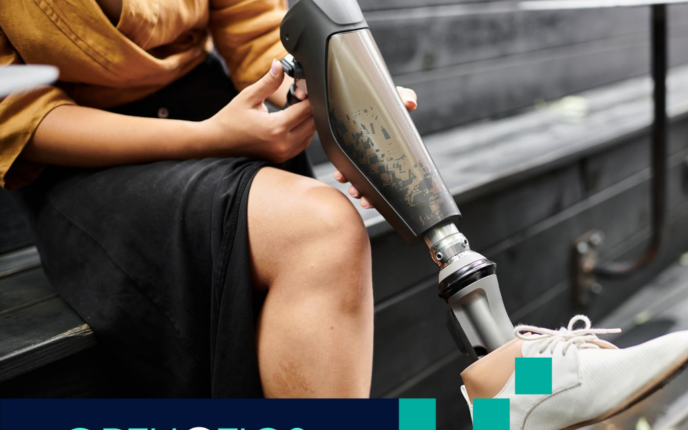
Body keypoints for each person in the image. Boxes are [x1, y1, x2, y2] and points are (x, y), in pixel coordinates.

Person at [0, 0, 416, 398]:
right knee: (321, 228)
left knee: (324, 232)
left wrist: (346, 98)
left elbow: (253, 28)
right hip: (87, 157)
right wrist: (210, 137)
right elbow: (19, 112)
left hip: (220, 111)